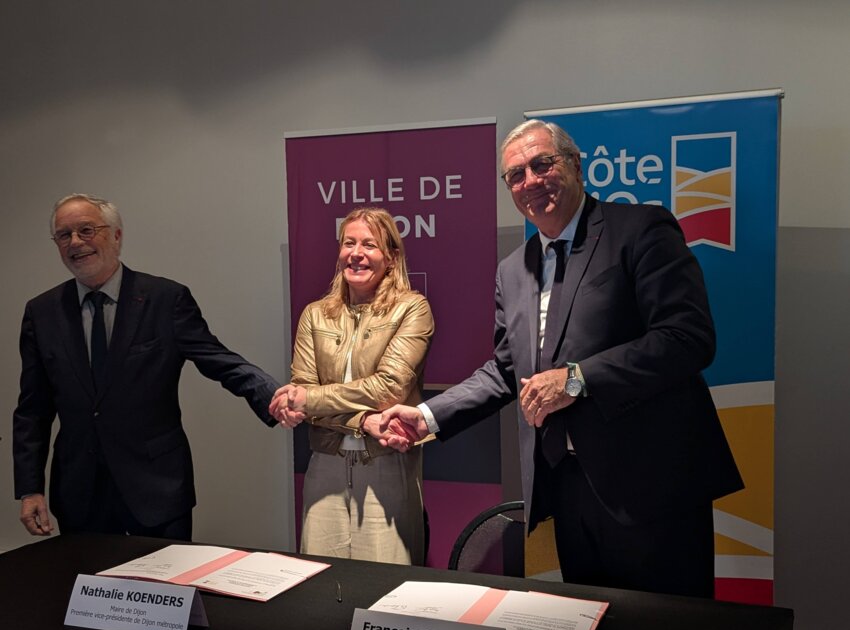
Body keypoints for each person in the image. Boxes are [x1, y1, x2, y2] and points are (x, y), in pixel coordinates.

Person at [380, 120, 744, 597]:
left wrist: (577, 379)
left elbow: (686, 337)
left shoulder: (640, 229)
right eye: (515, 175)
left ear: (575, 165)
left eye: (542, 164)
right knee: (589, 622)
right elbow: (506, 370)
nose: (530, 181)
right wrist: (427, 416)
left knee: (669, 627)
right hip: (568, 490)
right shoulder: (513, 269)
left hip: (653, 486)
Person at [13, 193, 281, 540]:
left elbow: (218, 359)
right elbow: (32, 409)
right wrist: (30, 489)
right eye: (64, 235)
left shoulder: (165, 299)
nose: (75, 242)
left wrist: (274, 395)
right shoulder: (42, 312)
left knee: (166, 577)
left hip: (157, 487)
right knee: (87, 577)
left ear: (116, 236)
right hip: (80, 492)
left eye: (86, 230)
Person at [270, 207, 433, 565]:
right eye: (349, 243)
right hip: (325, 465)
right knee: (320, 578)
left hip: (386, 464)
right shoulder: (314, 314)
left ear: (391, 258)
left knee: (386, 583)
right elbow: (303, 394)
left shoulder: (412, 309)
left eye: (369, 245)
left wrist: (309, 399)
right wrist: (362, 421)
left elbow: (389, 388)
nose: (356, 253)